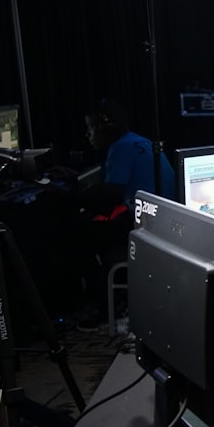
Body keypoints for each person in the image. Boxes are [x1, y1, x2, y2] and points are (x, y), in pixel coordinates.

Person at [72, 98, 177, 329]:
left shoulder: (120, 148)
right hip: (164, 221)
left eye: (90, 128)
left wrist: (70, 192)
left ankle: (105, 306)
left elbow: (108, 201)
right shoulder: (139, 141)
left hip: (148, 227)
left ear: (106, 127)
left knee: (78, 235)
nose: (88, 135)